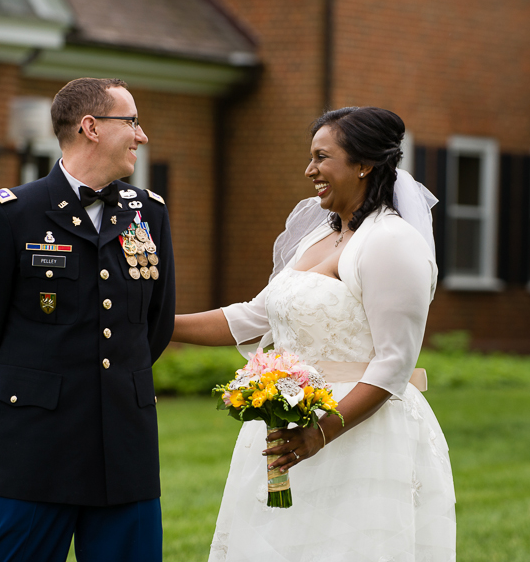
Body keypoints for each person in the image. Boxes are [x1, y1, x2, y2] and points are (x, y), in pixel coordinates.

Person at [173, 106, 456, 562]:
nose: (310, 170)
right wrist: (156, 322)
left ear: (363, 164)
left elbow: (394, 363)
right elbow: (251, 317)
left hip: (359, 436)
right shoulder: (316, 239)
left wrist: (319, 434)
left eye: (322, 157)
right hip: (291, 427)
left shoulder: (391, 243)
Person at [0, 77, 175, 562]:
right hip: (34, 449)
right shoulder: (13, 213)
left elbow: (153, 326)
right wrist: (14, 394)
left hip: (125, 451)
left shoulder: (149, 215)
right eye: (131, 122)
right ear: (90, 127)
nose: (142, 135)